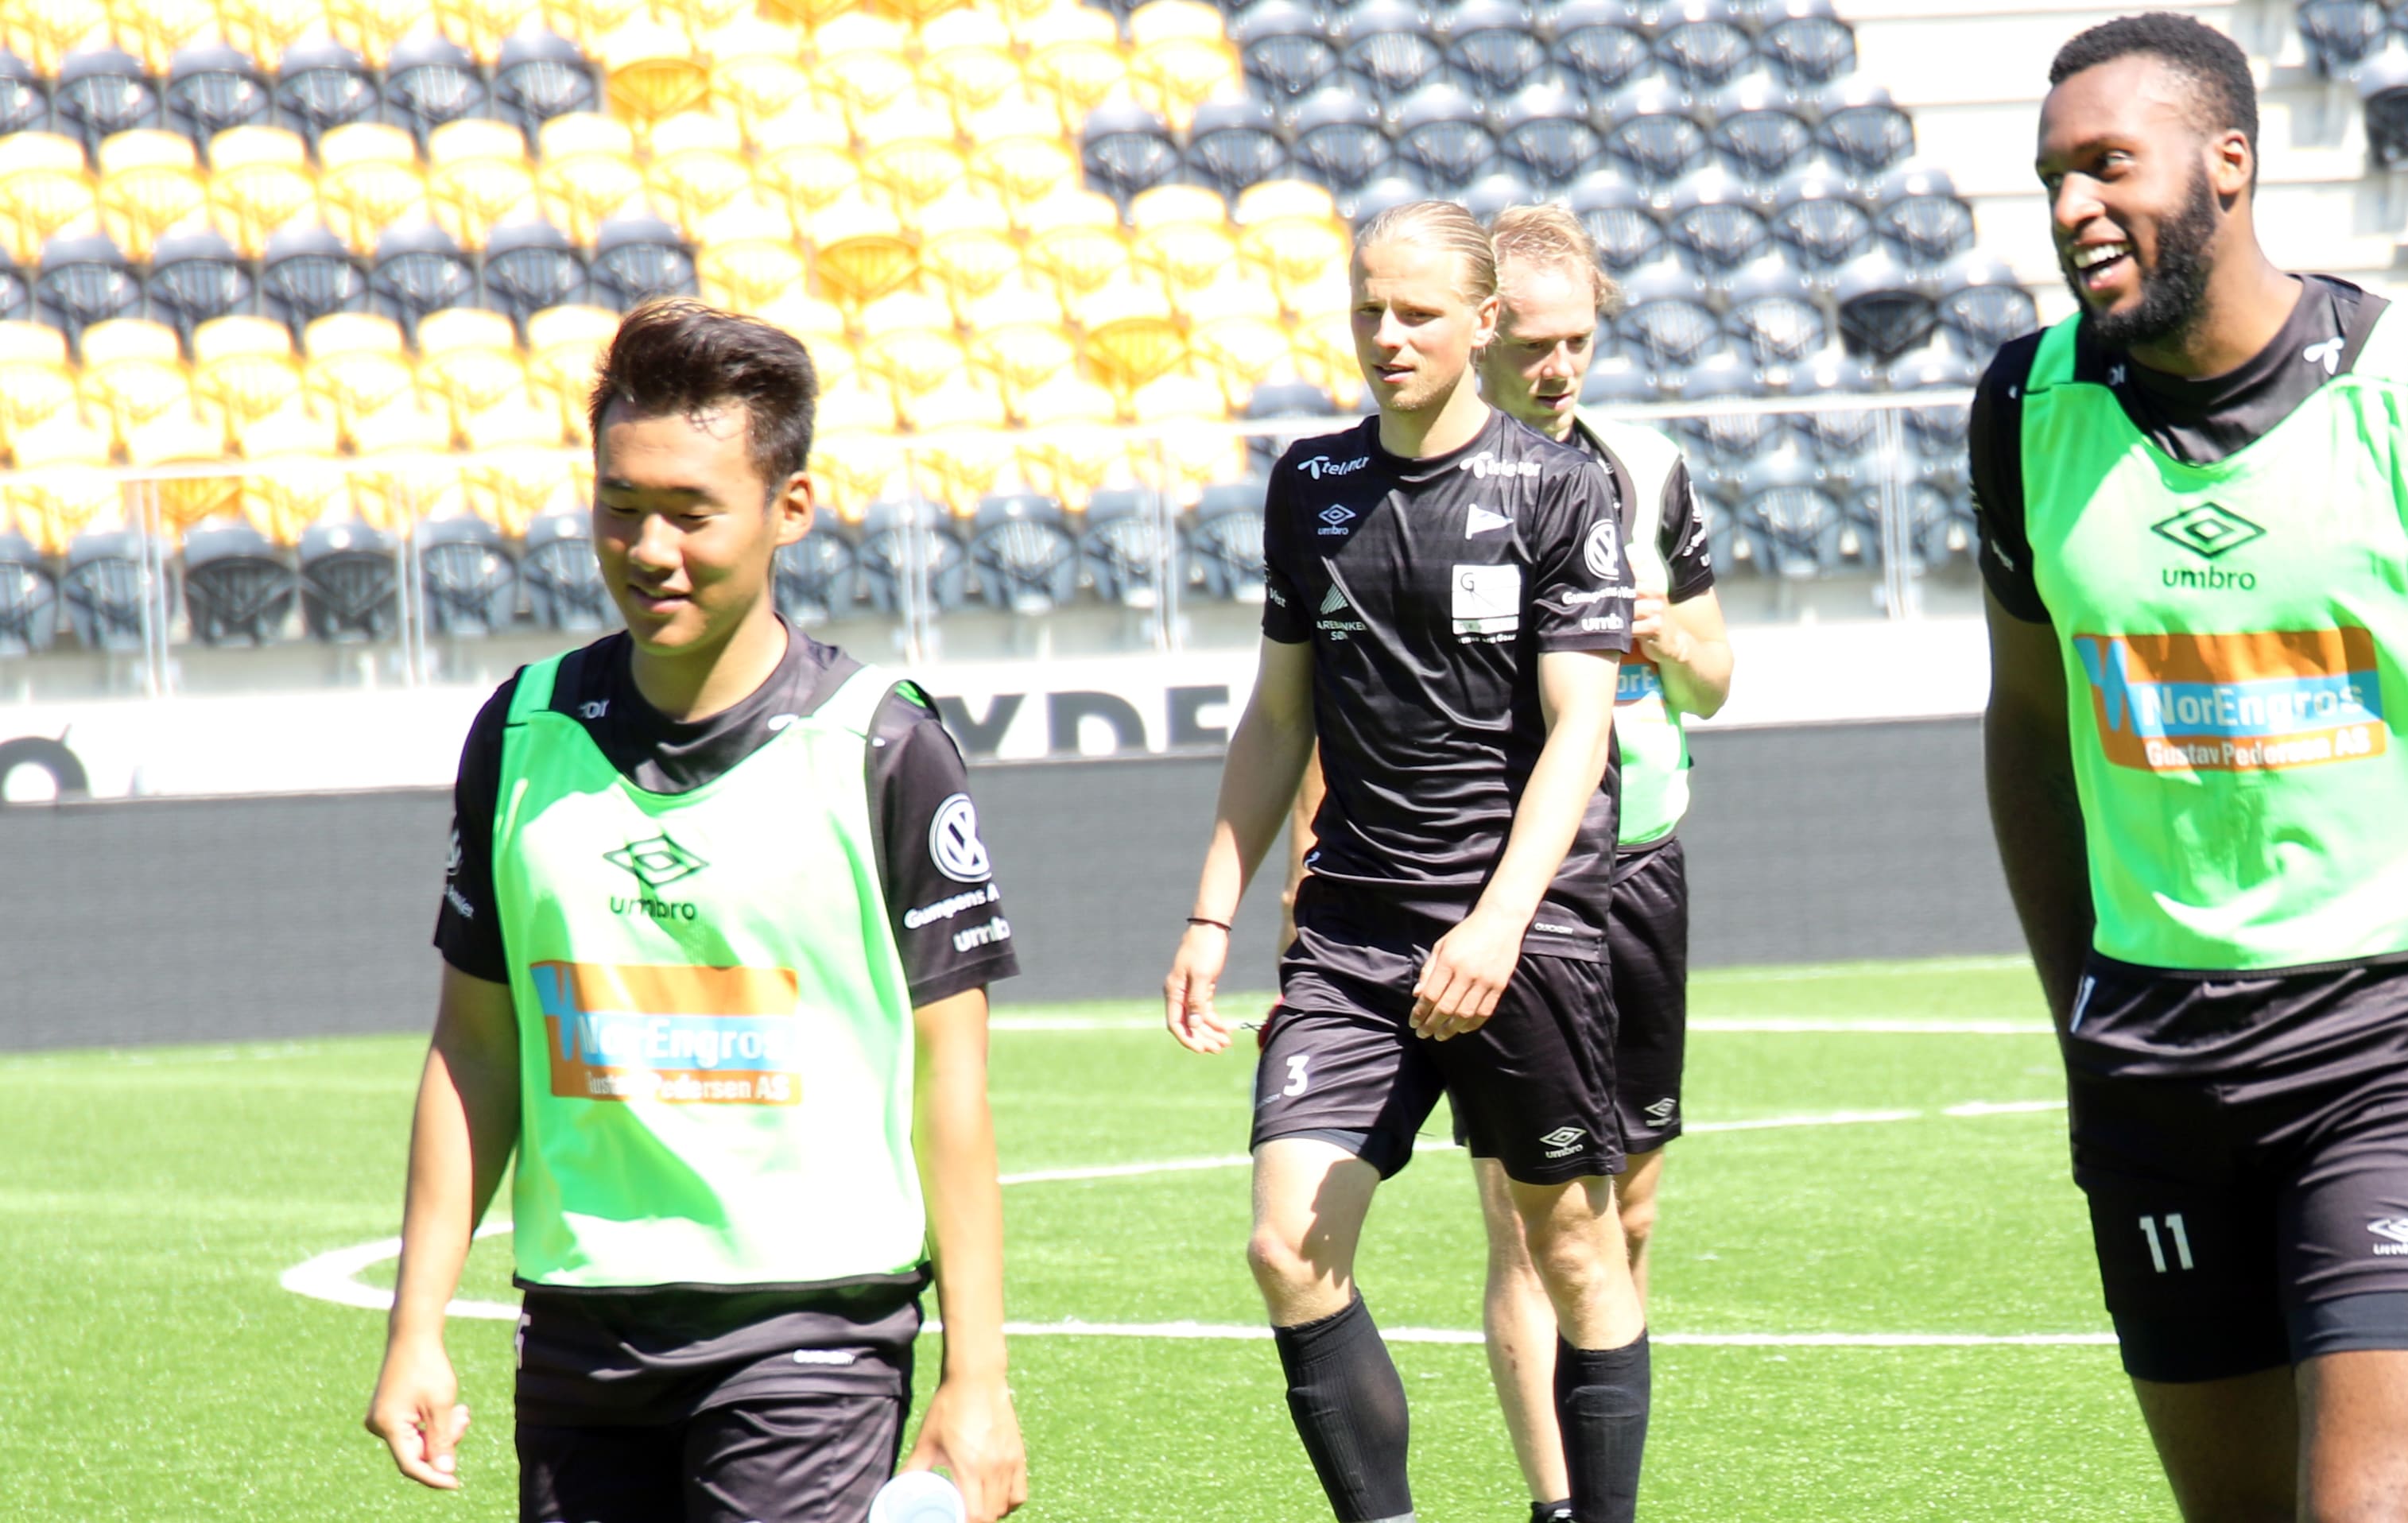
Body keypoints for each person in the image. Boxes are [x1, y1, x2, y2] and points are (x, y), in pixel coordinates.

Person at [1975, 14, 2408, 1520]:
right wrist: (2078, 1017)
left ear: (2228, 164)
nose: (2071, 207)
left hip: (2393, 1057)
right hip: (2151, 1075)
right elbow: (2028, 731)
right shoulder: (2022, 410)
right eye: (2050, 177)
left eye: (2109, 165)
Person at [363, 299, 1028, 1523]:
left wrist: (976, 1376)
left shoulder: (883, 744)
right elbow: (476, 1048)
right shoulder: (520, 733)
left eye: (691, 512)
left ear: (790, 509)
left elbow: (953, 1076)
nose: (649, 548)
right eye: (621, 506)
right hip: (579, 1330)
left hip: (810, 1326)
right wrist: (417, 1325)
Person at [1161, 200, 1651, 1523]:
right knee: (1286, 1248)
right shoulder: (1308, 484)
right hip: (1353, 936)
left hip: (1520, 931)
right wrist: (1212, 913)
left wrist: (1495, 926)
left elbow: (1579, 734)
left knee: (1574, 1248)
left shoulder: (1558, 487)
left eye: (1417, 313)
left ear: (1482, 323)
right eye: (1367, 309)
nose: (1386, 334)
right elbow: (1278, 718)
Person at [1469, 202, 1731, 1523]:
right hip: (1505, 885)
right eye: (1533, 342)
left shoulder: (1648, 466)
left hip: (1640, 865)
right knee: (1531, 1226)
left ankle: (1604, 1485)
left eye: (1578, 339)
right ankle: (1557, 1506)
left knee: (1627, 1220)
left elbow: (1719, 678)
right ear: (1479, 336)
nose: (1559, 366)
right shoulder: (1441, 478)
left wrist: (1666, 638)